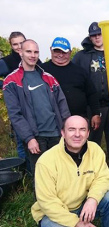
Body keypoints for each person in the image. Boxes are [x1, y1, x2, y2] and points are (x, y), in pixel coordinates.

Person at [31, 115, 109, 227]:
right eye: (72, 129)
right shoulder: (46, 161)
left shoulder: (95, 150)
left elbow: (102, 178)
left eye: (82, 129)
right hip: (52, 214)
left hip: (82, 204)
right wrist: (76, 223)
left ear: (88, 133)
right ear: (63, 132)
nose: (77, 134)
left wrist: (93, 199)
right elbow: (47, 202)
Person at [2, 39, 70, 176]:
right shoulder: (11, 81)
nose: (33, 55)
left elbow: (62, 105)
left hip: (56, 134)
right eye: (29, 51)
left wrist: (66, 130)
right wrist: (29, 138)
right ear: (20, 52)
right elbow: (15, 114)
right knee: (41, 176)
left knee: (61, 173)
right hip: (36, 137)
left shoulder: (48, 78)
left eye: (36, 52)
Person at [73, 22, 109, 179]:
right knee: (93, 139)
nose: (97, 37)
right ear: (90, 37)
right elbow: (74, 77)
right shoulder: (82, 56)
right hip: (93, 106)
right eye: (93, 35)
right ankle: (91, 168)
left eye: (99, 34)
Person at [42, 37, 101, 128]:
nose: (60, 55)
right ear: (51, 50)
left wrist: (96, 113)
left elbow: (92, 94)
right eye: (57, 51)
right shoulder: (41, 71)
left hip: (78, 121)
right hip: (50, 122)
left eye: (64, 52)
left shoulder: (80, 71)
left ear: (70, 52)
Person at [0, 32, 28, 162]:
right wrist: (5, 85)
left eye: (21, 43)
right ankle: (24, 174)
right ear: (10, 45)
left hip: (34, 107)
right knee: (22, 141)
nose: (18, 46)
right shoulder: (6, 62)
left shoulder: (33, 58)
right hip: (18, 108)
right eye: (15, 44)